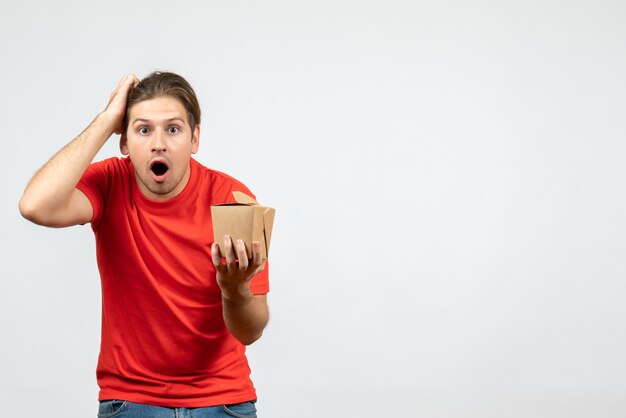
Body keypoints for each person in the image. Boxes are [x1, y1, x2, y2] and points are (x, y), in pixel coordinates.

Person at [19, 72, 269, 418]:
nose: (158, 144)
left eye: (173, 129)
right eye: (143, 129)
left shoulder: (232, 199)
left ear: (194, 138)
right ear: (124, 142)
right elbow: (35, 205)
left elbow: (251, 330)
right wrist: (106, 120)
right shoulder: (109, 183)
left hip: (222, 401)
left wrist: (235, 289)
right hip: (130, 401)